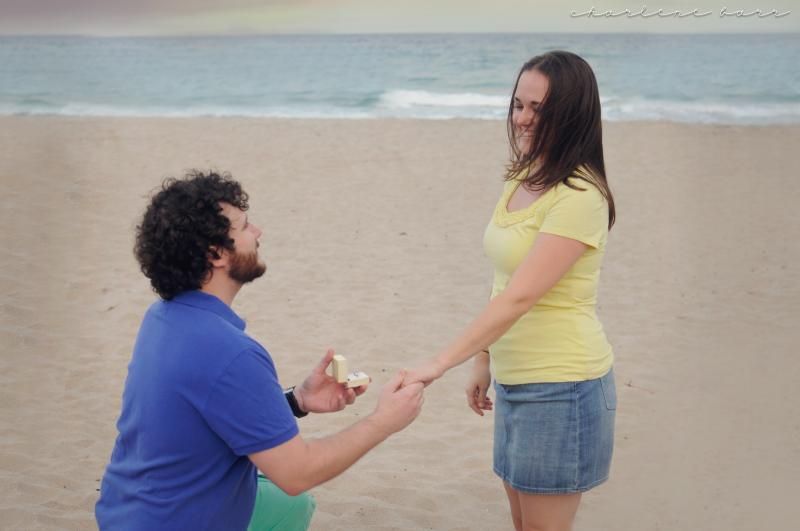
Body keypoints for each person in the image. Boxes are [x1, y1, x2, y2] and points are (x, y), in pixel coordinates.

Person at [95, 171, 425, 531]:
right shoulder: (232, 352)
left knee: (288, 503)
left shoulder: (161, 317)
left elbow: (206, 413)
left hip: (125, 513)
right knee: (291, 490)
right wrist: (384, 422)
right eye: (245, 226)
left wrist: (297, 400)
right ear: (216, 254)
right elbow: (298, 472)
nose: (258, 232)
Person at [404, 51, 617, 531]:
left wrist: (438, 363)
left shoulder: (580, 195)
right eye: (518, 105)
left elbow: (521, 297)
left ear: (572, 113)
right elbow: (502, 279)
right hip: (515, 382)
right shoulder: (525, 176)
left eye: (538, 109)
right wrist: (484, 359)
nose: (522, 118)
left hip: (563, 388)